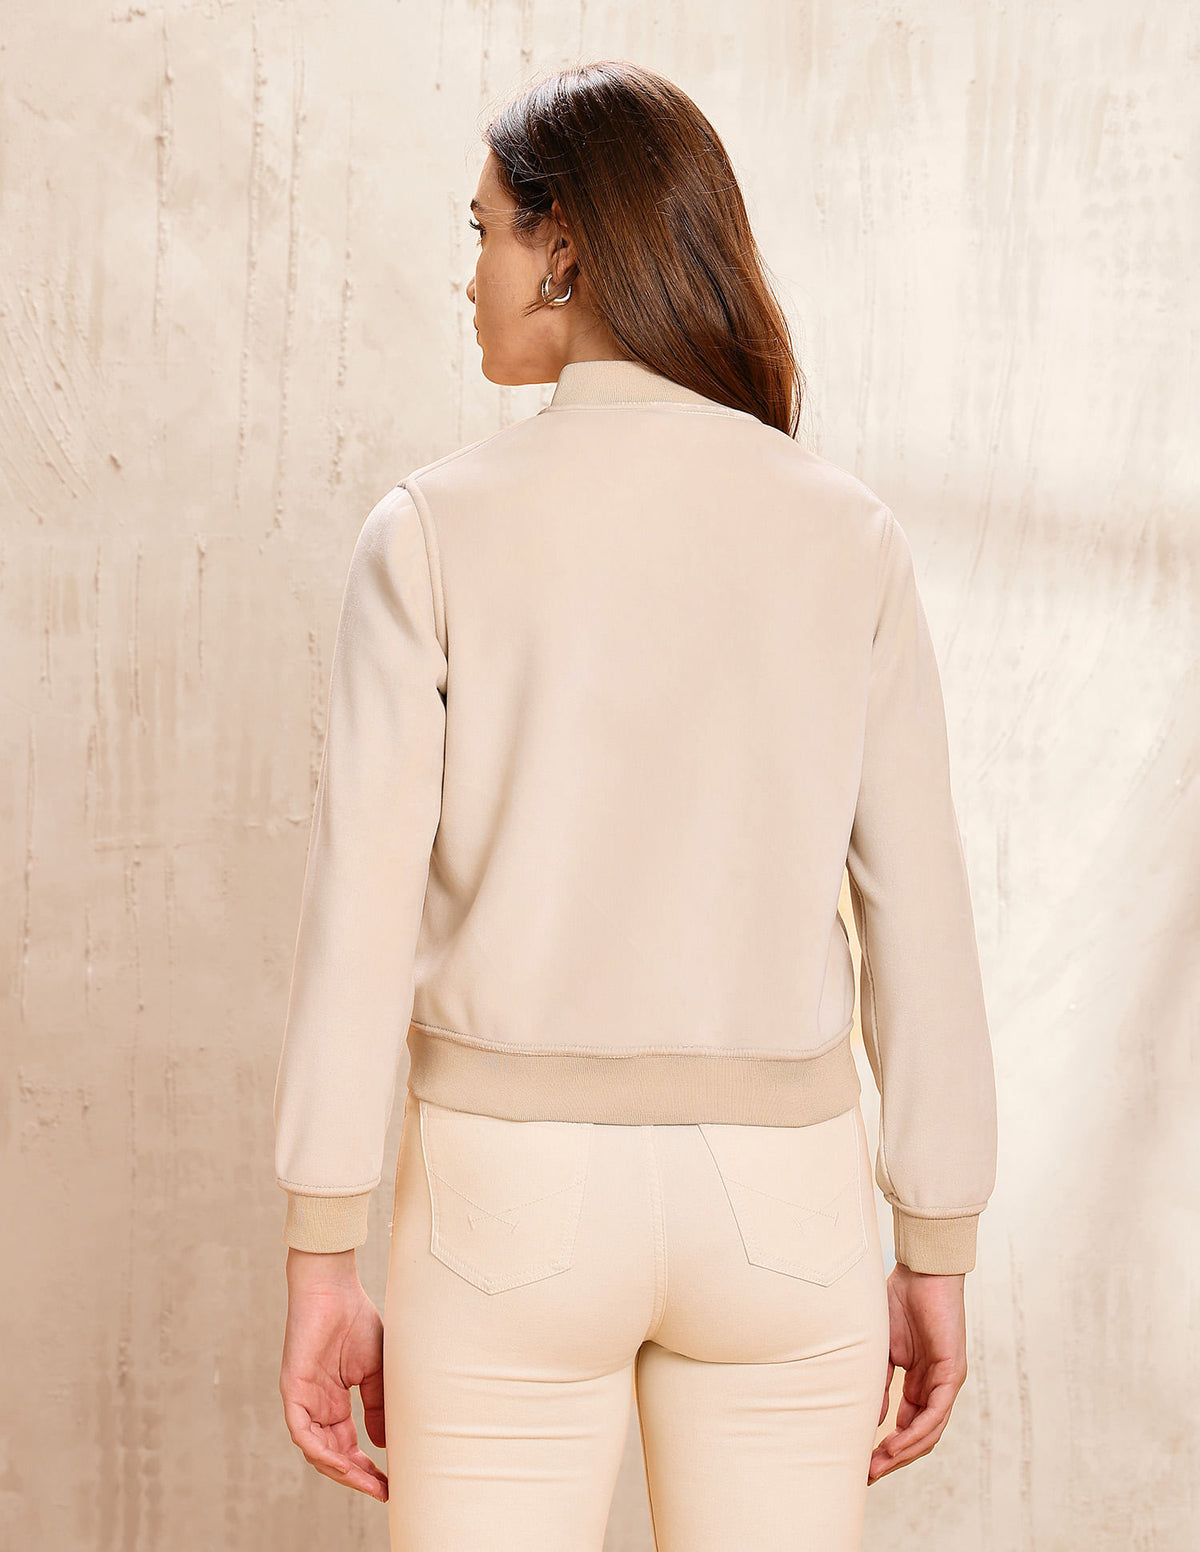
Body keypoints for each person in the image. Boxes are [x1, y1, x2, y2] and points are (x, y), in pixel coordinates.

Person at [273, 59, 998, 1552]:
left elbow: (359, 919)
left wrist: (321, 1254)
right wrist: (936, 1237)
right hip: (785, 1206)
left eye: (484, 231)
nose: (470, 274)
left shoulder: (429, 532)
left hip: (503, 1201)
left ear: (565, 246)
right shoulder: (847, 534)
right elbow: (918, 912)